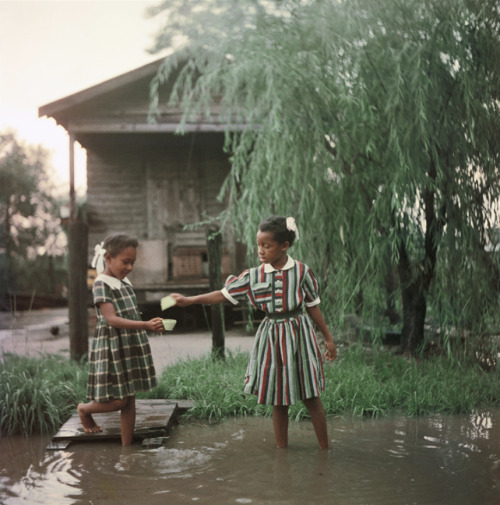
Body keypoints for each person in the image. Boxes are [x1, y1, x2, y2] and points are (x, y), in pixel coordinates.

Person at [170, 216, 337, 449]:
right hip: (272, 338)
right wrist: (190, 300)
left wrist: (328, 339)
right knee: (279, 399)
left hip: (299, 335)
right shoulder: (253, 275)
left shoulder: (301, 272)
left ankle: (324, 449)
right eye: (258, 244)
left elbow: (313, 307)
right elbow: (223, 294)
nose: (260, 250)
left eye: (266, 246)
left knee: (311, 396)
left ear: (284, 246)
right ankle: (282, 450)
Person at [77, 233, 164, 446]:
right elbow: (111, 319)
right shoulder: (101, 283)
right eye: (125, 262)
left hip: (129, 344)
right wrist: (145, 325)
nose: (130, 267)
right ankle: (84, 409)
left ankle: (127, 449)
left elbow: (130, 312)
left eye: (132, 262)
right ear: (108, 258)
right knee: (119, 400)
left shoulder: (124, 281)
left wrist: (150, 323)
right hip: (112, 345)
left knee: (130, 399)